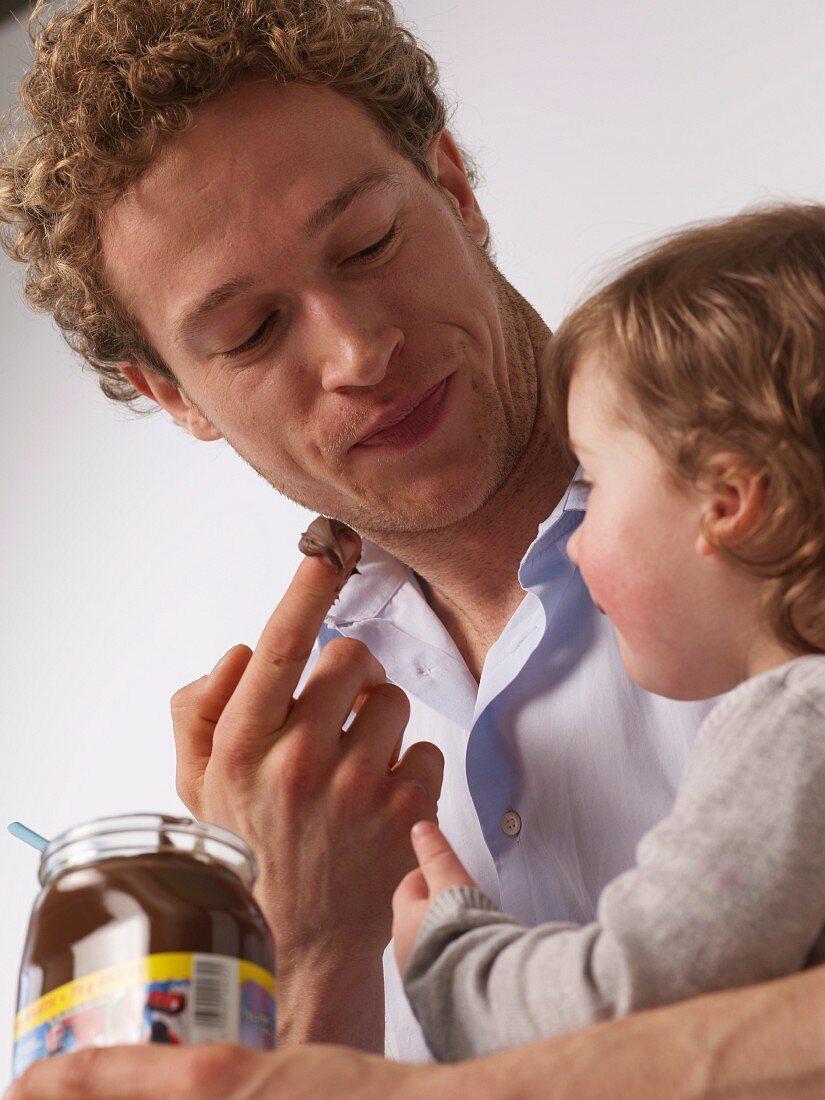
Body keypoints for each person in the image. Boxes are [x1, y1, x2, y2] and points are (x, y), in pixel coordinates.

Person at [1, 1, 824, 1095]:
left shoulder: (792, 494)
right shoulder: (304, 777)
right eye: (249, 333)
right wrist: (303, 942)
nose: (357, 350)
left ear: (456, 185)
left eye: (368, 242)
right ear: (172, 394)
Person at [392, 204, 825, 1061]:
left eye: (592, 477)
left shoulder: (797, 723)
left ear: (728, 503)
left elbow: (637, 999)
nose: (573, 533)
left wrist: (451, 959)